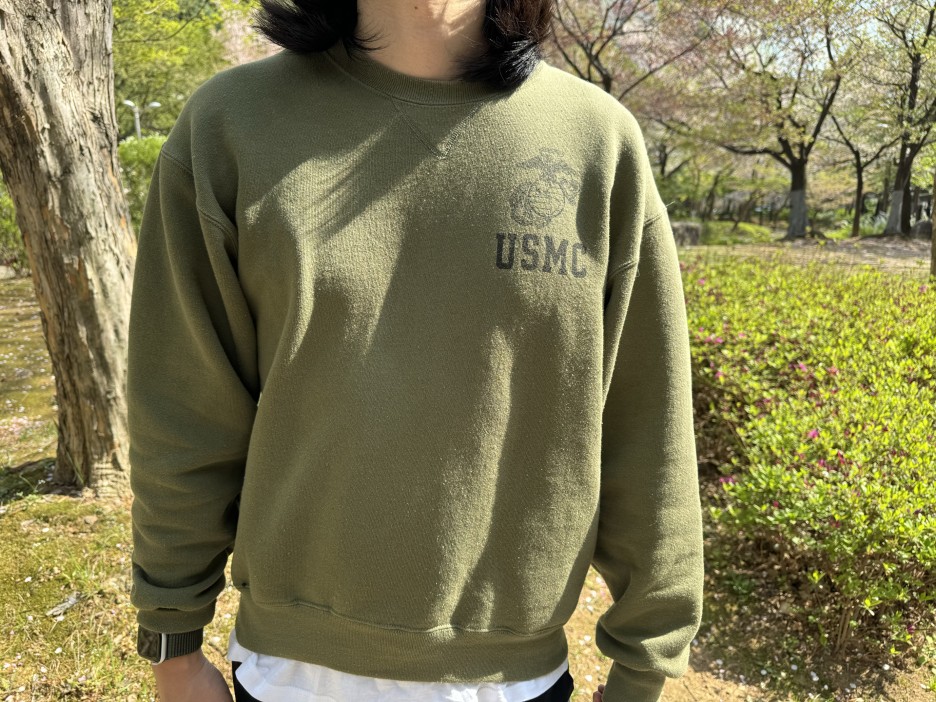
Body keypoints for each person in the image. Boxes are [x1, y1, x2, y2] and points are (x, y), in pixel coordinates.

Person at [126, 1, 705, 701]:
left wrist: (644, 669)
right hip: (289, 677)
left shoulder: (596, 141)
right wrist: (172, 644)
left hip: (514, 683)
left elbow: (648, 429)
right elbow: (183, 411)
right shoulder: (231, 125)